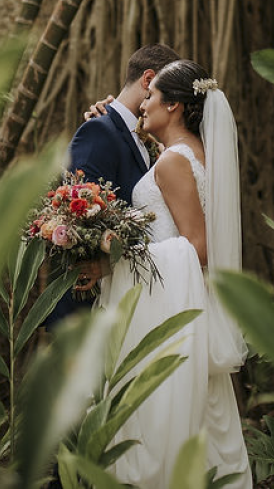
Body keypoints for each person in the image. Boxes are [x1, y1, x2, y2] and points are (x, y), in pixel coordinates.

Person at [96, 59, 252, 488]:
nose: (143, 103)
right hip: (181, 303)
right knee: (200, 415)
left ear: (176, 107)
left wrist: (121, 250)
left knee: (164, 413)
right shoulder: (188, 156)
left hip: (168, 310)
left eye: (151, 96)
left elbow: (197, 248)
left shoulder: (172, 163)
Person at [44, 43, 180, 328]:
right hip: (88, 308)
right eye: (166, 95)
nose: (170, 105)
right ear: (147, 80)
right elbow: (78, 221)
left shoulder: (147, 142)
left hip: (125, 300)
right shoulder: (99, 130)